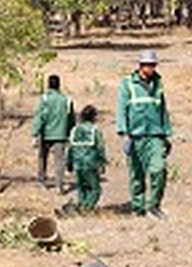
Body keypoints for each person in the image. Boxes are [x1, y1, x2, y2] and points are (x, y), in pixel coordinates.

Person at [116, 49, 173, 218]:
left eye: (153, 65)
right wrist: (124, 134)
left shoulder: (158, 84)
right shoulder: (128, 84)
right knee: (136, 175)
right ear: (141, 65)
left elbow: (163, 110)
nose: (150, 68)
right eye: (147, 65)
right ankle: (138, 208)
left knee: (159, 170)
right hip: (136, 137)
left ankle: (154, 206)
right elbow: (121, 110)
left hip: (155, 136)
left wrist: (166, 135)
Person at [32, 74, 75, 192]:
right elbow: (71, 119)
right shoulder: (67, 100)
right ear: (59, 85)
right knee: (59, 161)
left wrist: (35, 133)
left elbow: (39, 117)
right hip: (61, 134)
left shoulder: (44, 99)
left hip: (45, 134)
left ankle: (42, 181)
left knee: (42, 158)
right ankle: (59, 185)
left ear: (48, 85)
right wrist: (71, 132)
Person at [66, 104, 107, 212]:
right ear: (94, 117)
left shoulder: (74, 130)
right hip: (90, 163)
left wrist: (68, 163)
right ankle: (87, 208)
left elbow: (70, 148)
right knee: (95, 189)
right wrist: (102, 163)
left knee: (81, 187)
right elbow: (100, 148)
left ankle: (81, 205)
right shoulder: (95, 130)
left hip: (77, 164)